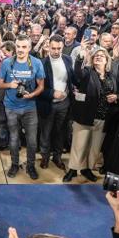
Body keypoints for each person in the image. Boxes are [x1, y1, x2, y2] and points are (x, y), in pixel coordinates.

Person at [63, 44, 117, 182]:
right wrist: (81, 55)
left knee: (94, 147)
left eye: (102, 56)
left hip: (104, 117)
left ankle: (87, 169)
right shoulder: (87, 72)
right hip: (85, 116)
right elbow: (77, 72)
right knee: (78, 145)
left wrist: (116, 97)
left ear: (107, 60)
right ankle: (73, 170)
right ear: (92, 60)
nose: (98, 57)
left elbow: (116, 92)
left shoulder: (111, 76)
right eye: (96, 56)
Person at [0, 35, 45, 179]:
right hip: (11, 106)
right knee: (14, 139)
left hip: (30, 106)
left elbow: (41, 86)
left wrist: (32, 94)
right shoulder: (7, 63)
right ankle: (14, 164)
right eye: (18, 46)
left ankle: (30, 166)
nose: (21, 50)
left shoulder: (36, 63)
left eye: (24, 47)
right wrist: (10, 85)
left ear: (29, 48)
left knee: (31, 140)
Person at [37, 34, 74, 171]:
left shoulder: (68, 59)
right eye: (53, 48)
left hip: (64, 103)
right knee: (45, 132)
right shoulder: (41, 63)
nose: (56, 51)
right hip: (48, 103)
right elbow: (37, 88)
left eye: (59, 48)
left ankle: (57, 157)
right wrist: (53, 93)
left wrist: (73, 89)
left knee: (60, 132)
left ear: (63, 47)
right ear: (48, 46)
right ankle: (45, 157)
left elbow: (72, 79)